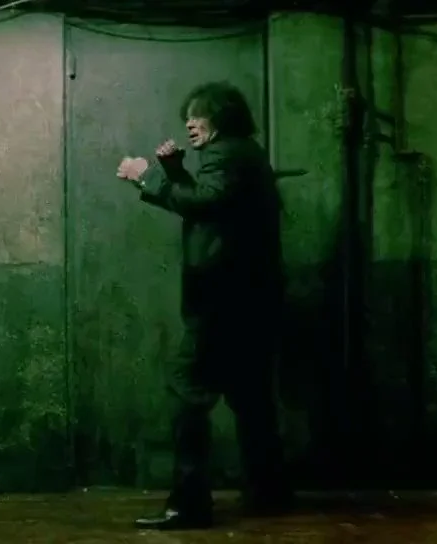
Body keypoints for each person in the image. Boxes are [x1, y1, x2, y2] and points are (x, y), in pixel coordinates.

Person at [115, 81, 292, 530]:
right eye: (187, 117)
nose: (190, 124)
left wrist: (147, 177)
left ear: (222, 118)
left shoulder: (226, 154)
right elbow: (214, 208)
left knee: (187, 390)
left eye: (199, 116)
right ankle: (270, 492)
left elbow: (206, 202)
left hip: (223, 303)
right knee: (250, 397)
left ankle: (189, 504)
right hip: (249, 301)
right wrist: (176, 171)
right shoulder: (244, 153)